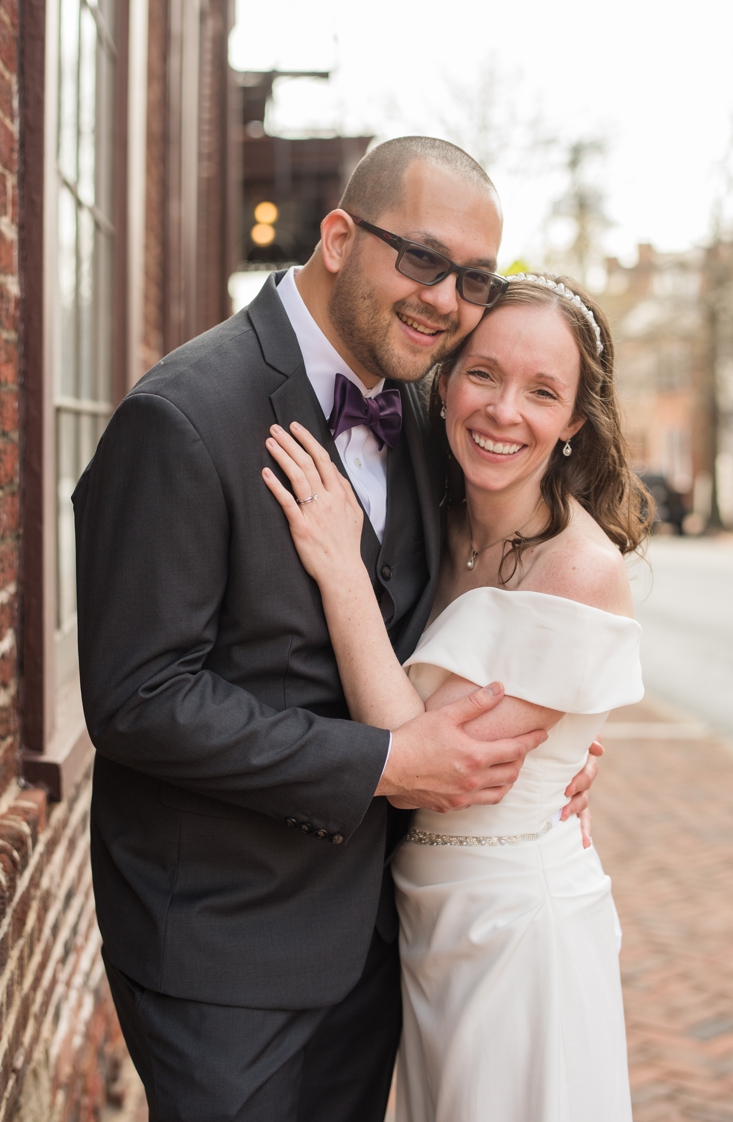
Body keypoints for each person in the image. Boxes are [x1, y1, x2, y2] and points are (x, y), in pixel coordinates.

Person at [72, 137, 602, 1120]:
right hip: (222, 960)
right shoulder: (182, 419)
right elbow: (139, 700)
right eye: (422, 258)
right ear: (339, 237)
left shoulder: (422, 409)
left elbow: (456, 617)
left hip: (374, 943)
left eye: (475, 279)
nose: (446, 299)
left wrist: (553, 734)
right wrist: (381, 763)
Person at [263, 271, 647, 1119]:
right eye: (483, 374)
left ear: (575, 421)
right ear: (446, 382)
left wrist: (339, 563)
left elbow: (421, 759)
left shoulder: (580, 571)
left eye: (542, 392)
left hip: (519, 929)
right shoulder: (437, 516)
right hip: (423, 920)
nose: (504, 411)